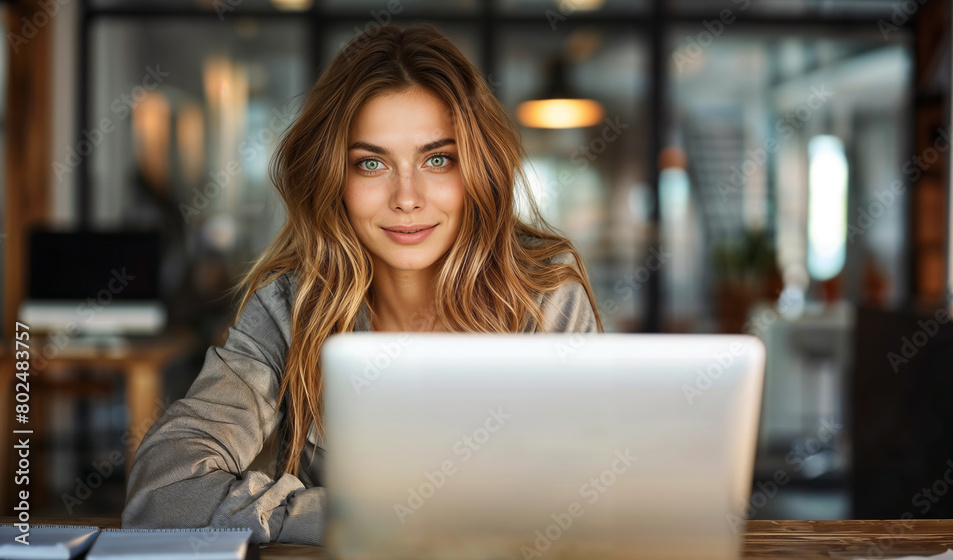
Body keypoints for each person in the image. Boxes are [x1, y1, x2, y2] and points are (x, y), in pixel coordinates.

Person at [121, 22, 603, 545]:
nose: (406, 196)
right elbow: (162, 491)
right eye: (371, 164)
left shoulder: (542, 295)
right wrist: (369, 517)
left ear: (477, 170)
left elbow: (589, 498)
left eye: (437, 159)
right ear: (334, 179)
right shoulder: (293, 303)